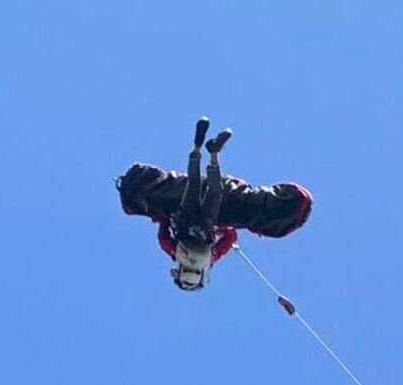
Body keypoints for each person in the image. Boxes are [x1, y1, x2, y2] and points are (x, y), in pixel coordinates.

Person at [115, 118, 314, 292]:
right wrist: (165, 218)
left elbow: (230, 235)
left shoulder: (209, 258)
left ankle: (213, 155)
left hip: (208, 216)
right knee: (195, 185)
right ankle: (200, 148)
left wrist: (219, 228)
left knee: (214, 190)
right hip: (186, 213)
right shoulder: (175, 251)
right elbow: (163, 234)